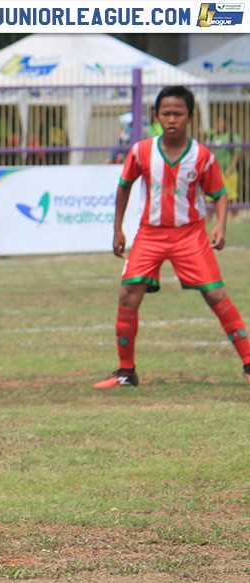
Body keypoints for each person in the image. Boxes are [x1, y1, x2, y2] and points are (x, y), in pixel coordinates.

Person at [95, 86, 250, 389]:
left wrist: (220, 226)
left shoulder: (202, 156)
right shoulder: (141, 151)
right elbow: (124, 186)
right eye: (165, 113)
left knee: (216, 295)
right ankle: (126, 372)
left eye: (178, 113)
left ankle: (248, 362)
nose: (171, 119)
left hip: (189, 236)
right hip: (149, 235)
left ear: (190, 117)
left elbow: (219, 195)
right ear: (156, 116)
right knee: (128, 294)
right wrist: (117, 228)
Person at [205, 115, 241, 222]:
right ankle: (208, 222)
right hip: (214, 173)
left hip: (228, 173)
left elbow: (237, 153)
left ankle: (235, 220)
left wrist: (231, 167)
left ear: (226, 124)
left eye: (221, 122)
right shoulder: (212, 135)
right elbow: (202, 131)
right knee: (209, 199)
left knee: (232, 198)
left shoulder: (233, 137)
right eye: (217, 122)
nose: (218, 124)